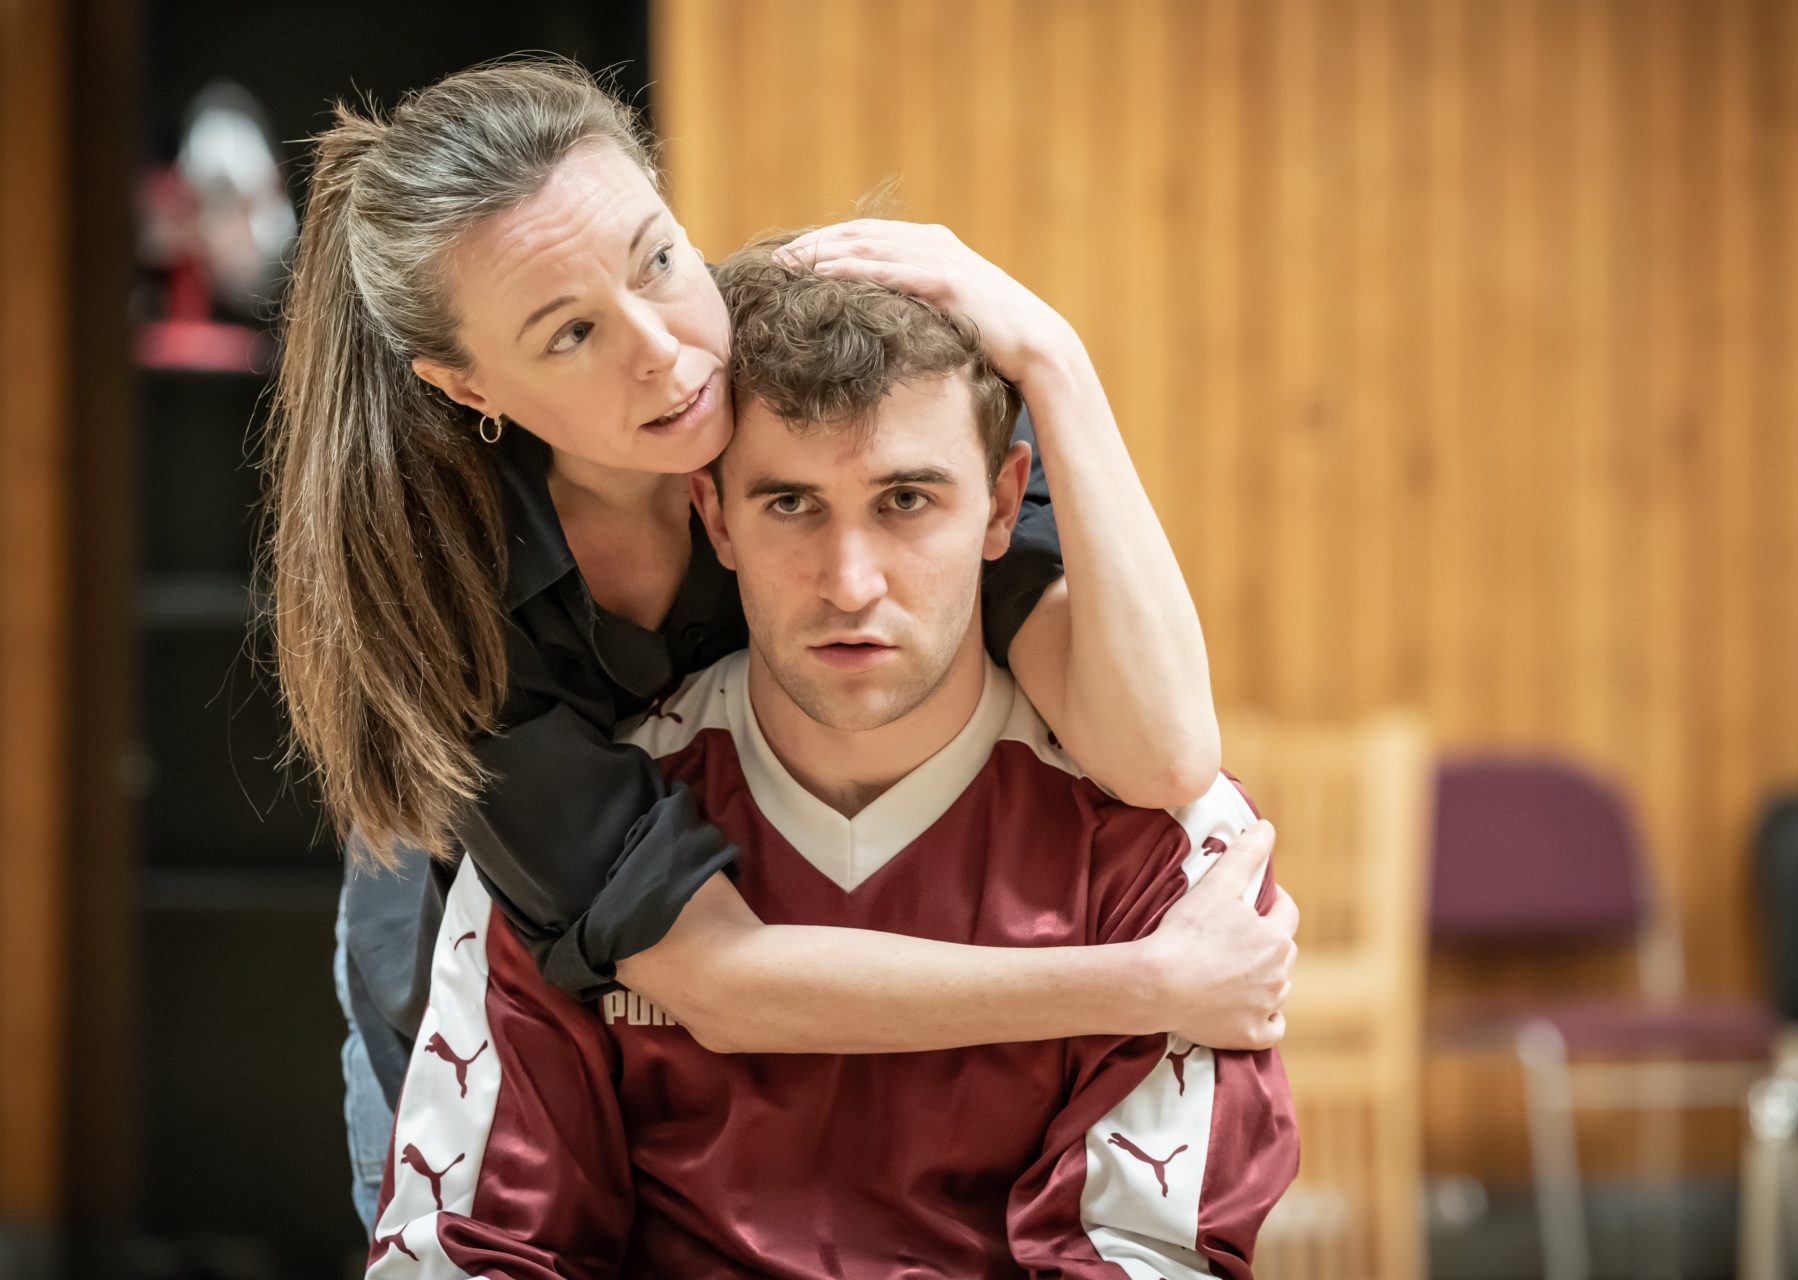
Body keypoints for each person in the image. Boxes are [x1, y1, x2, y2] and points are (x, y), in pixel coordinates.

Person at [261, 58, 1295, 1227]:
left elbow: (1158, 757)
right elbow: (718, 977)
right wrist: (1147, 984)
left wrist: (1055, 359)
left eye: (657, 257)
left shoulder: (817, 390)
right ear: (465, 384)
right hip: (484, 962)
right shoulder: (447, 594)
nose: (663, 349)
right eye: (571, 334)